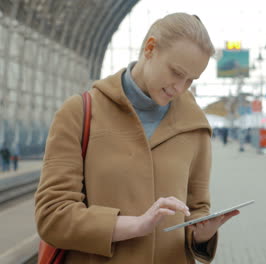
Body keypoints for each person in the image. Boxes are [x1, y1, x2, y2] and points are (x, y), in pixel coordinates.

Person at [35, 13, 238, 264]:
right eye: (176, 72)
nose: (180, 88)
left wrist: (201, 235)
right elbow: (53, 216)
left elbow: (196, 210)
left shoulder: (195, 126)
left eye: (190, 80)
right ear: (150, 48)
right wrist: (134, 226)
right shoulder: (80, 112)